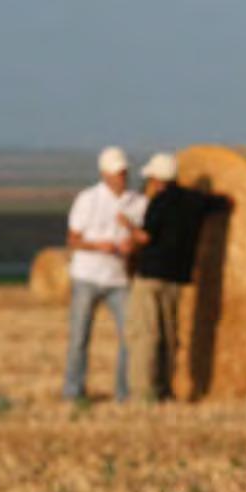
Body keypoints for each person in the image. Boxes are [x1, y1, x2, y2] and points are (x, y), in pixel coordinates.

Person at [120, 152, 231, 401]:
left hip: (150, 276)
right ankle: (166, 388)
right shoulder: (195, 200)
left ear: (157, 179)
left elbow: (146, 237)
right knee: (170, 335)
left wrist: (127, 226)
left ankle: (142, 392)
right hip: (177, 278)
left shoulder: (159, 201)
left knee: (145, 334)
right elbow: (225, 202)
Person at [63, 146, 147, 402]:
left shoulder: (138, 202)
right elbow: (73, 239)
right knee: (79, 336)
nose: (121, 177)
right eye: (116, 173)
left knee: (129, 336)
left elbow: (145, 238)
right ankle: (73, 392)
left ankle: (124, 393)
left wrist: (131, 243)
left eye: (123, 172)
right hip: (87, 276)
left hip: (119, 279)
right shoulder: (87, 200)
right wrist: (100, 246)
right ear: (104, 174)